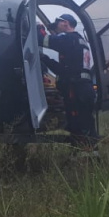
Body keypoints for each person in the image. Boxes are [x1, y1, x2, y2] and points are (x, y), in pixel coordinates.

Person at [37, 14, 99, 147]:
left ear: (65, 23)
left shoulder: (68, 37)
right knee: (85, 124)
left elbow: (41, 39)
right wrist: (44, 58)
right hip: (83, 88)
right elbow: (63, 69)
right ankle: (88, 155)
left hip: (76, 89)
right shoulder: (79, 41)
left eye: (57, 25)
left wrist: (38, 27)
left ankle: (85, 156)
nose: (56, 31)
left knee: (78, 124)